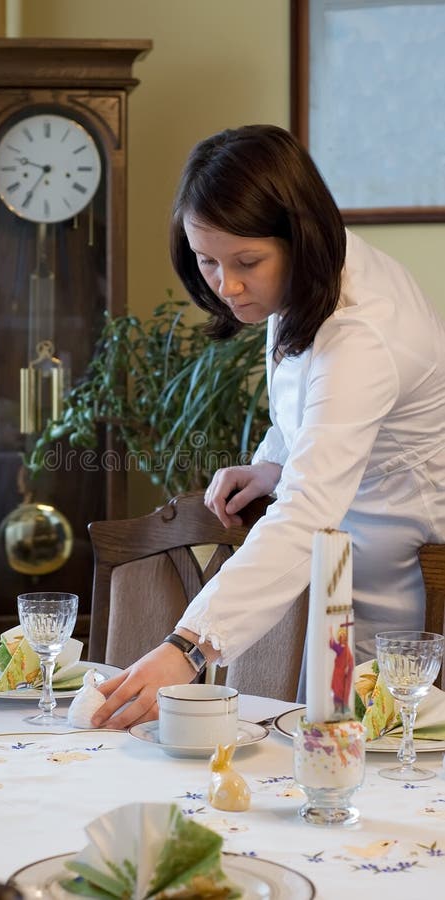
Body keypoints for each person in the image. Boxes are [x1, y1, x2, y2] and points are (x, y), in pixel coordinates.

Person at [91, 124, 445, 730]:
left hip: (401, 563)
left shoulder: (362, 330)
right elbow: (313, 403)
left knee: (375, 741)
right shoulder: (304, 281)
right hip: (336, 546)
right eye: (207, 261)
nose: (227, 286)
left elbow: (309, 508)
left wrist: (189, 647)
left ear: (299, 238)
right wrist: (274, 461)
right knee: (317, 745)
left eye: (246, 262)